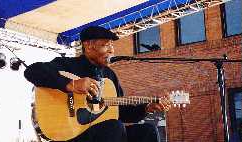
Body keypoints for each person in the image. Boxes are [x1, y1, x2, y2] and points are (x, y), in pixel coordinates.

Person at [24, 26, 171, 142]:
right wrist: (71, 84)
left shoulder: (109, 75)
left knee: (147, 131)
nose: (111, 50)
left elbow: (121, 113)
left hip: (103, 134)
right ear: (88, 46)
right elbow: (32, 71)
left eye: (111, 46)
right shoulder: (69, 65)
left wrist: (147, 108)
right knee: (114, 126)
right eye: (106, 45)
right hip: (73, 134)